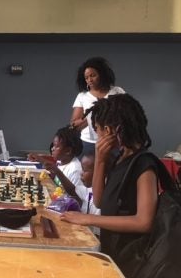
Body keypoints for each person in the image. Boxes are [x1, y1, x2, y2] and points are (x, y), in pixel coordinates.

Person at [59, 94, 160, 274]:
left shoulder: (144, 164)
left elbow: (144, 222)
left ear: (110, 130)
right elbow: (99, 201)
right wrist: (100, 159)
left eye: (97, 130)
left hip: (132, 258)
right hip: (112, 250)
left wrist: (88, 218)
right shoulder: (118, 159)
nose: (97, 137)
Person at [70, 57, 125, 156]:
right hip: (89, 143)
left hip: (113, 141)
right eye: (86, 78)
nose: (89, 80)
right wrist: (92, 115)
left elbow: (128, 115)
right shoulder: (82, 96)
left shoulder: (117, 91)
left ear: (102, 75)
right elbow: (74, 125)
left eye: (93, 75)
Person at [29, 126, 88, 212]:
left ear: (68, 151)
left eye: (56, 146)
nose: (52, 148)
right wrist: (40, 160)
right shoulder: (62, 162)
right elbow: (58, 182)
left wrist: (56, 171)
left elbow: (77, 200)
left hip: (67, 210)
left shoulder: (75, 170)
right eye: (53, 145)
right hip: (58, 203)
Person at [79, 150, 100, 235]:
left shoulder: (102, 201)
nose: (81, 173)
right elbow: (73, 191)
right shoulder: (89, 189)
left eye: (85, 170)